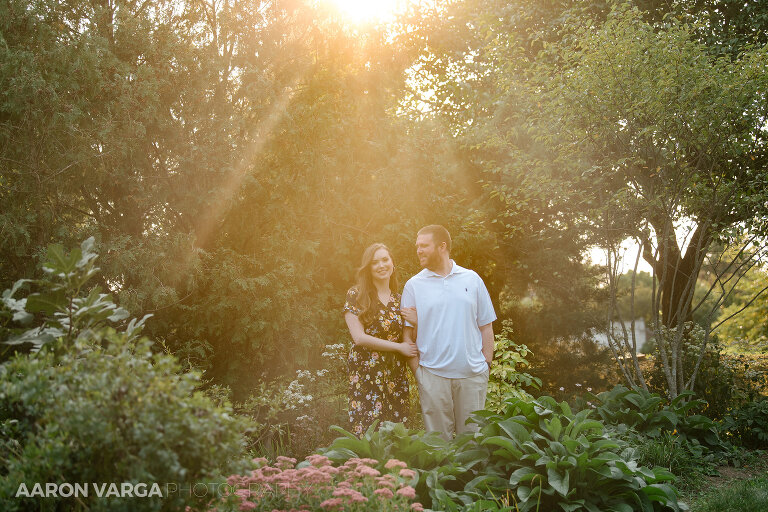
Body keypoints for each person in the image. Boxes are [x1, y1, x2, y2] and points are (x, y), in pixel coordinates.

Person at [401, 225, 496, 439]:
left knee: (471, 445)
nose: (418, 250)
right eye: (417, 246)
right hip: (433, 377)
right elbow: (407, 336)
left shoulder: (472, 279)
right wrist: (419, 373)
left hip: (472, 376)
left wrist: (486, 364)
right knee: (437, 446)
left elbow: (486, 325)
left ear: (442, 246)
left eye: (424, 245)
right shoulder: (413, 285)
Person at [343, 243, 419, 436]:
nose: (381, 265)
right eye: (374, 262)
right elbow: (359, 338)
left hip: (395, 376)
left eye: (385, 260)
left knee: (397, 434)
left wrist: (417, 322)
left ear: (393, 263)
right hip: (366, 373)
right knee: (369, 434)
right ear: (368, 268)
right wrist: (398, 348)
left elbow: (410, 340)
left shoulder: (400, 300)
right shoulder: (356, 295)